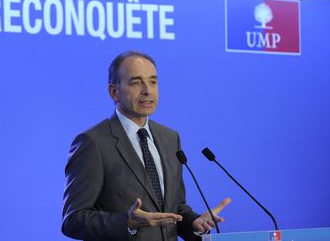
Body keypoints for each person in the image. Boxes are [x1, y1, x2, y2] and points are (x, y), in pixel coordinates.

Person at [62, 51, 231, 241]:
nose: (147, 90)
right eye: (135, 82)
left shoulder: (169, 137)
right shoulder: (93, 142)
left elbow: (175, 207)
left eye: (153, 81)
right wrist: (127, 222)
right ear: (114, 91)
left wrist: (194, 222)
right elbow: (73, 220)